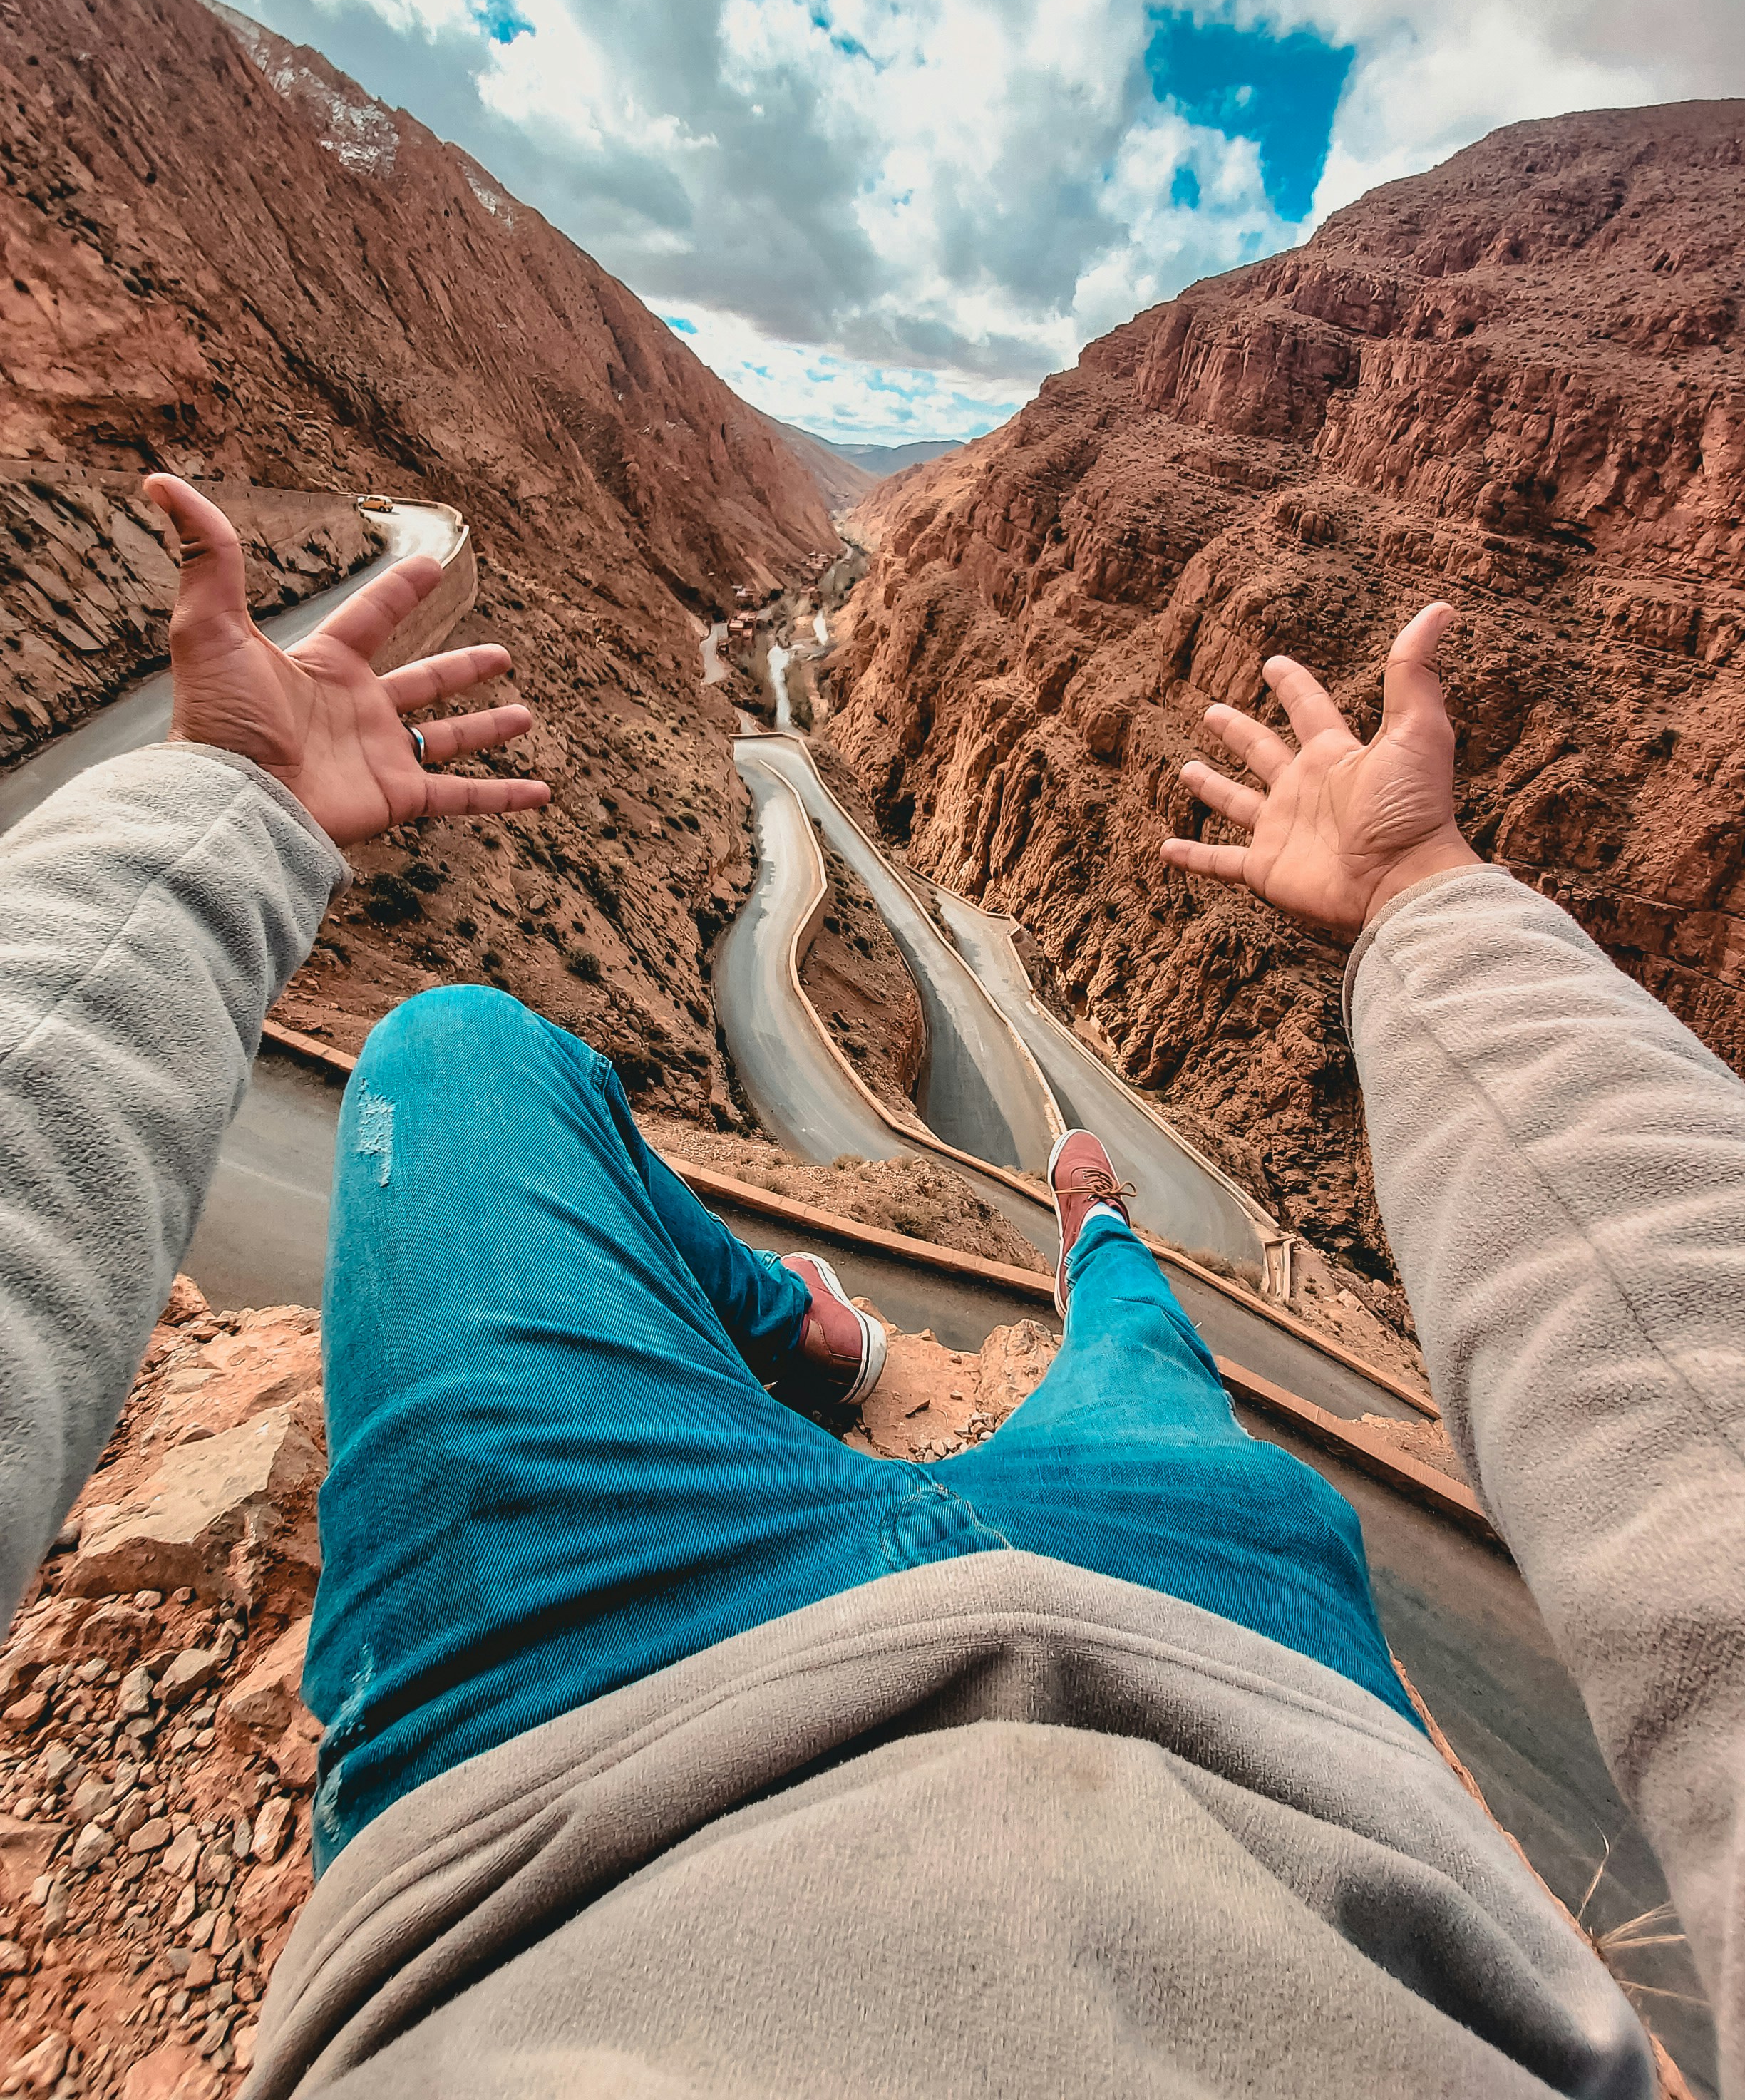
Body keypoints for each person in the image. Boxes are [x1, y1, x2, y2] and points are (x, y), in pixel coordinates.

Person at [1, 480, 1739, 2100]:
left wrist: (229, 806)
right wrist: (1420, 903)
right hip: (1222, 1688)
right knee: (1141, 1347)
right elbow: (1689, 1374)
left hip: (562, 1755)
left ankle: (811, 1330)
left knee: (451, 1051)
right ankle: (1093, 1245)